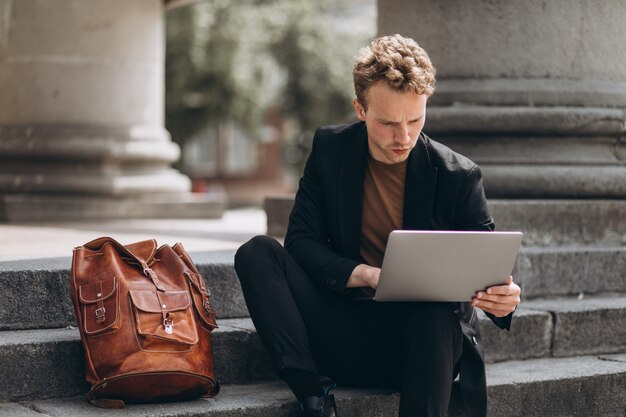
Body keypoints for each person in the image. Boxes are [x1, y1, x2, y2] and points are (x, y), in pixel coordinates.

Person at [234, 34, 521, 417]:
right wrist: (366, 275)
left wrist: (504, 300)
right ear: (360, 109)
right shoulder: (330, 150)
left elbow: (485, 271)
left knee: (435, 311)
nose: (403, 137)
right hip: (340, 333)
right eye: (388, 123)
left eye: (415, 119)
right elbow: (301, 243)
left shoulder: (458, 175)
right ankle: (314, 400)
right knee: (257, 252)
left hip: (420, 351)